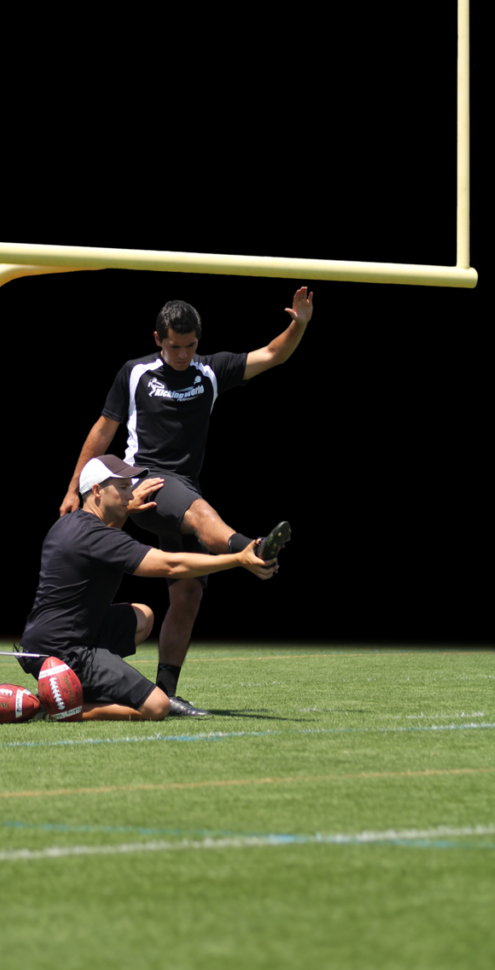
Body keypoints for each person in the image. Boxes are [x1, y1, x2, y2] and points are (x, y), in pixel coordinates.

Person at [58, 289, 314, 716]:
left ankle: (166, 691)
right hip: (144, 480)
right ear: (158, 339)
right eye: (174, 346)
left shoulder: (209, 371)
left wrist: (300, 323)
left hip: (184, 482)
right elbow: (104, 430)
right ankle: (249, 548)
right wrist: (73, 488)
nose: (182, 354)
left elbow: (273, 354)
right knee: (197, 511)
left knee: (189, 594)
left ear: (199, 340)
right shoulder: (135, 372)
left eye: (190, 345)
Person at [18, 454, 277, 720]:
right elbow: (170, 565)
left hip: (41, 642)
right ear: (96, 491)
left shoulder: (68, 525)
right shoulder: (97, 538)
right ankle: (57, 707)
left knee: (143, 616)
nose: (130, 493)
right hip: (67, 653)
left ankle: (74, 687)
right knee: (157, 706)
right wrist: (238, 559)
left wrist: (125, 508)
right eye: (122, 488)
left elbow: (104, 539)